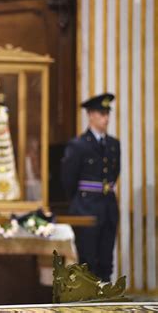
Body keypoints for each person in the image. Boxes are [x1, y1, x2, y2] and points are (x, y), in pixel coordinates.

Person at [61, 93, 120, 282]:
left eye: (107, 113)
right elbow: (68, 180)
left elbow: (114, 173)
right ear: (91, 115)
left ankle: (106, 305)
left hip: (108, 206)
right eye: (102, 113)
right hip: (86, 208)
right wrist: (79, 202)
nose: (106, 118)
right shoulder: (78, 145)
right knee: (88, 262)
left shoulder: (113, 144)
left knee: (106, 261)